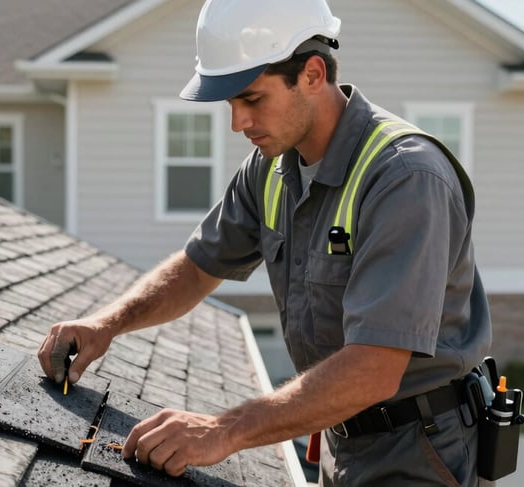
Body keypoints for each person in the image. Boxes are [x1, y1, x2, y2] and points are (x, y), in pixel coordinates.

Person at [38, 0, 492, 485]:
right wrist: (106, 324)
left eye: (252, 99)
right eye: (230, 102)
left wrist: (222, 430)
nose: (238, 122)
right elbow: (196, 269)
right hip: (340, 439)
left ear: (313, 74)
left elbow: (374, 368)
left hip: (419, 450)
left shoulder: (405, 178)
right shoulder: (272, 167)